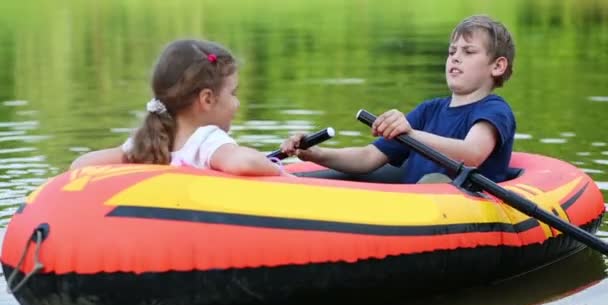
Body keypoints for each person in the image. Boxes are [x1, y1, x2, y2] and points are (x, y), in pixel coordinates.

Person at [281, 15, 516, 184]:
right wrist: (314, 153)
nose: (455, 58)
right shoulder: (429, 110)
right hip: (413, 207)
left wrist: (410, 135)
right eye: (452, 51)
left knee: (433, 181)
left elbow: (473, 153)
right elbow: (368, 158)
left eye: (468, 51)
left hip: (461, 212)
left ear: (497, 66)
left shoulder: (495, 109)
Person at [70, 39, 285, 176]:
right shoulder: (207, 140)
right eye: (233, 93)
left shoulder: (146, 143)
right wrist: (280, 172)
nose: (237, 103)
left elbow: (82, 165)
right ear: (207, 99)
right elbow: (245, 162)